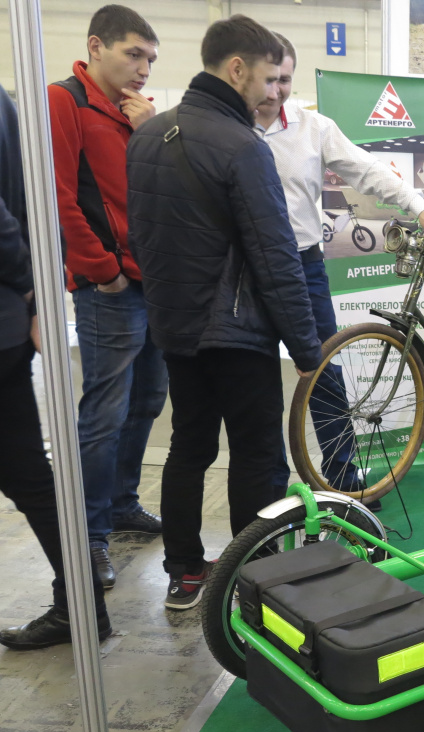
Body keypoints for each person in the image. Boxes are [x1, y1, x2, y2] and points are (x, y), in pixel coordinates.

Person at [126, 15, 321, 610]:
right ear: (237, 69)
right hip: (237, 331)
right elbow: (275, 257)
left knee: (189, 447)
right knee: (257, 454)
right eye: (267, 78)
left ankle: (185, 573)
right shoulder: (244, 147)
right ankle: (256, 582)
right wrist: (307, 347)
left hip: (176, 328)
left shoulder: (147, 136)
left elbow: (143, 240)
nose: (271, 92)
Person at [253, 32, 424, 503]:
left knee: (321, 368)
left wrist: (420, 207)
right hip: (247, 270)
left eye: (285, 80)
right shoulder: (228, 128)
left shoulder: (312, 127)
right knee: (255, 382)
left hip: (303, 265)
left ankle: (341, 475)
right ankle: (265, 487)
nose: (276, 90)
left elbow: (368, 169)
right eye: (269, 79)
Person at [48, 5, 167, 592]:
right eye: (133, 54)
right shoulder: (64, 101)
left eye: (150, 59)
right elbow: (58, 197)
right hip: (111, 287)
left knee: (147, 400)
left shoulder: (137, 112)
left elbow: (163, 189)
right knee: (104, 413)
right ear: (96, 46)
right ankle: (89, 534)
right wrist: (102, 271)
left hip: (154, 282)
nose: (143, 68)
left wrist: (151, 131)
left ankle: (121, 504)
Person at [0, 82, 110, 650]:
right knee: (31, 477)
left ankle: (82, 603)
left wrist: (29, 288)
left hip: (13, 308)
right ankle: (83, 605)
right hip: (10, 319)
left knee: (33, 475)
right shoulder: (8, 102)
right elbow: (29, 203)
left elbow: (14, 215)